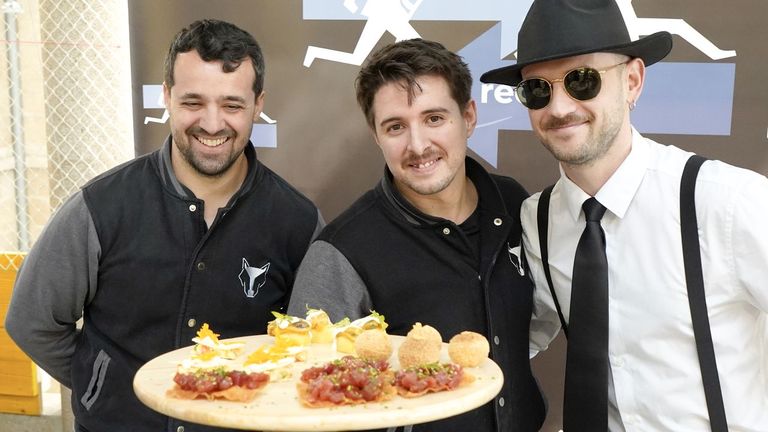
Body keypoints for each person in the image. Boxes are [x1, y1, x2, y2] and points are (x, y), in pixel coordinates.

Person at [5, 19, 323, 432]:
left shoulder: (297, 220)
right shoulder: (100, 206)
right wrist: (101, 385)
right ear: (167, 97)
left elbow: (310, 351)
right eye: (193, 102)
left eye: (232, 105)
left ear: (258, 104)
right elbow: (32, 321)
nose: (212, 124)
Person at [481, 0, 768, 430]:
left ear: (632, 81)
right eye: (538, 89)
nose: (559, 108)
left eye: (582, 81)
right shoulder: (537, 219)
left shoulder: (726, 202)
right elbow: (520, 333)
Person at [288, 38, 546, 432]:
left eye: (434, 118)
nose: (418, 145)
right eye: (395, 127)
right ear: (376, 135)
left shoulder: (513, 204)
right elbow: (311, 400)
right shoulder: (340, 252)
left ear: (469, 117)